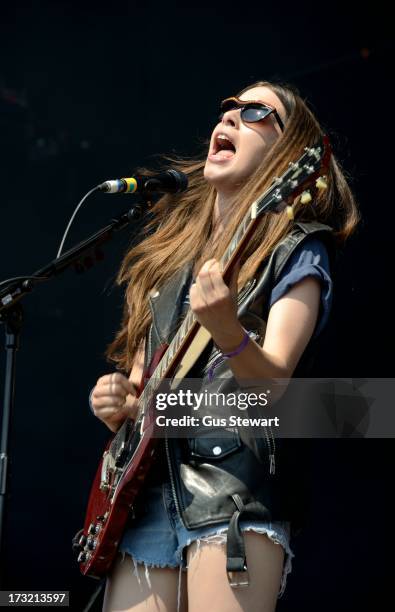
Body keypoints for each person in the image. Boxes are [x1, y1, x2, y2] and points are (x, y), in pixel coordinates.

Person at [89, 80, 360, 612]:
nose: (232, 116)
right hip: (145, 496)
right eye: (228, 107)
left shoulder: (297, 249)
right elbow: (145, 396)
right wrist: (118, 404)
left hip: (233, 492)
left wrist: (229, 331)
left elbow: (275, 384)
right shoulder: (166, 265)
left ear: (288, 152)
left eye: (256, 112)